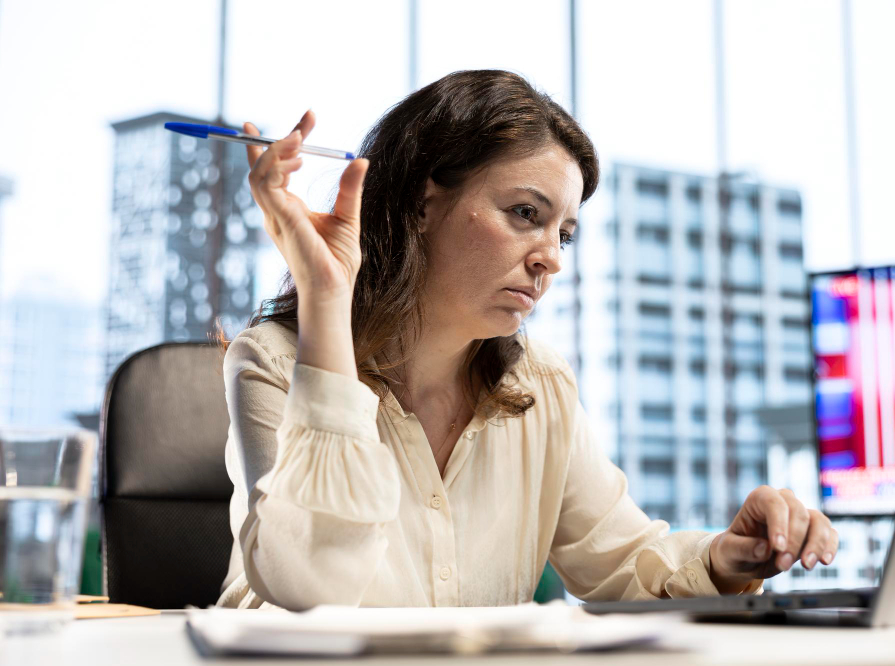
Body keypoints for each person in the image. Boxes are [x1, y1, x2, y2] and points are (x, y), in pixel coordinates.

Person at [215, 70, 838, 611]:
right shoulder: (272, 362)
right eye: (524, 214)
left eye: (563, 233)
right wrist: (327, 295)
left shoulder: (538, 384)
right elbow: (310, 590)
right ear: (421, 200)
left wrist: (729, 558)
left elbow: (623, 562)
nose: (550, 260)